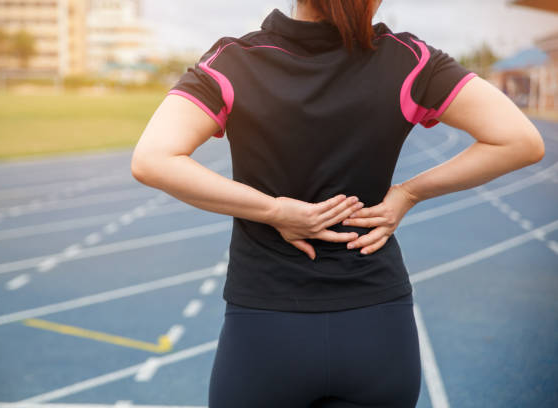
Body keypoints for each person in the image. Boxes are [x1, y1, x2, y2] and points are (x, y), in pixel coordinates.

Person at [131, 0, 545, 406]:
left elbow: (153, 160)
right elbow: (520, 141)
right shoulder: (411, 61)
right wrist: (409, 192)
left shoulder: (233, 62)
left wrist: (275, 211)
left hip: (266, 332)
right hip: (377, 329)